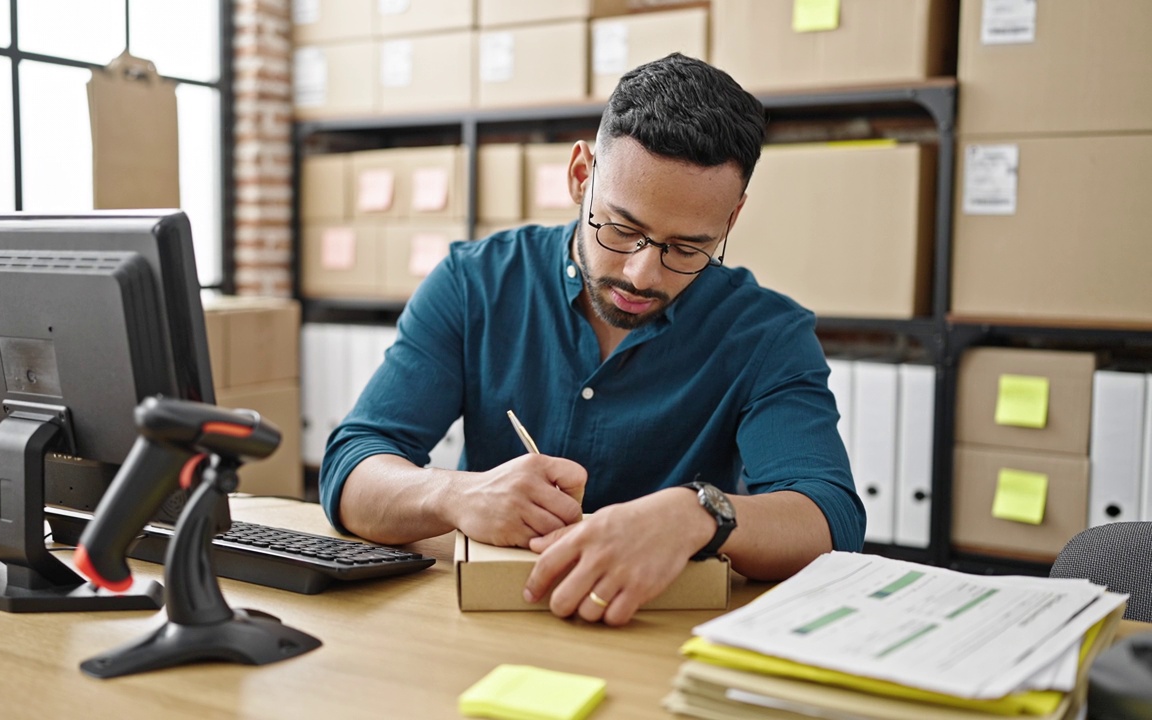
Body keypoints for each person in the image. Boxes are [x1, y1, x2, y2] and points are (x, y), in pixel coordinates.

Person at [319, 53, 865, 626]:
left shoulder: (767, 335)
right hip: (495, 619)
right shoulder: (473, 284)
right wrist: (455, 495)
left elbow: (830, 518)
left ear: (730, 220)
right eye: (622, 229)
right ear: (582, 175)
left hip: (657, 634)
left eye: (687, 248)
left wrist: (699, 513)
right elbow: (353, 468)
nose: (642, 275)